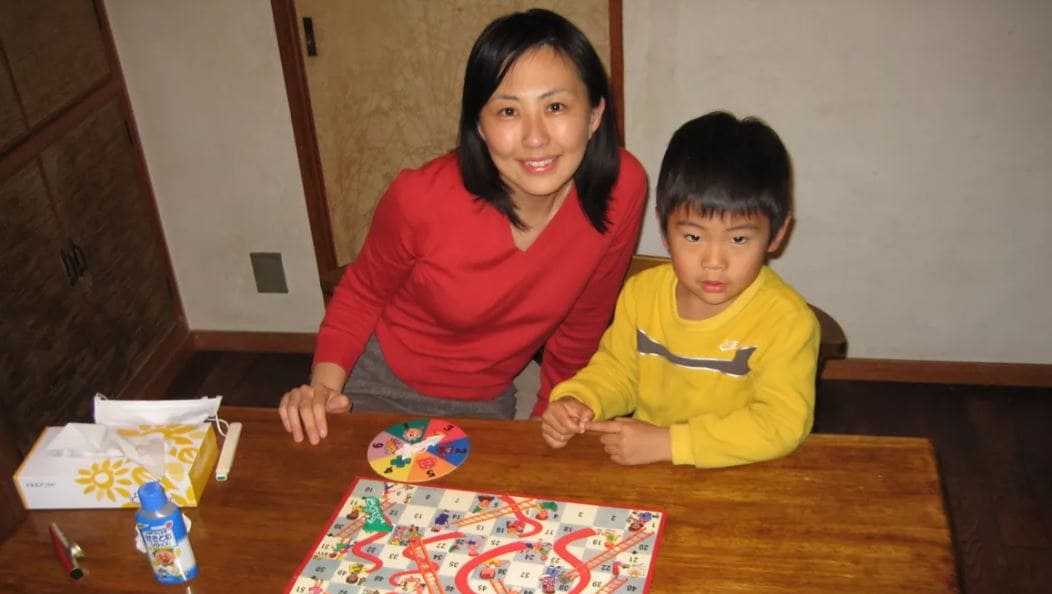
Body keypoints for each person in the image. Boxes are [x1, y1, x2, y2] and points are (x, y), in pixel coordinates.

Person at [279, 9, 648, 444]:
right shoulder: (421, 198)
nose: (535, 137)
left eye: (556, 107)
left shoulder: (622, 188)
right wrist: (324, 392)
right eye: (509, 111)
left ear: (594, 115)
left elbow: (583, 322)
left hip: (485, 399)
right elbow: (361, 294)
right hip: (375, 385)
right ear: (479, 124)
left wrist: (548, 415)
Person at [541, 111, 819, 468]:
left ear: (777, 235)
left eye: (738, 239)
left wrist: (671, 443)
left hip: (741, 468)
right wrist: (579, 400)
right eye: (692, 236)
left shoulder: (788, 321)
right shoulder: (642, 294)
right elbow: (619, 371)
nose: (713, 261)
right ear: (663, 229)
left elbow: (781, 425)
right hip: (647, 461)